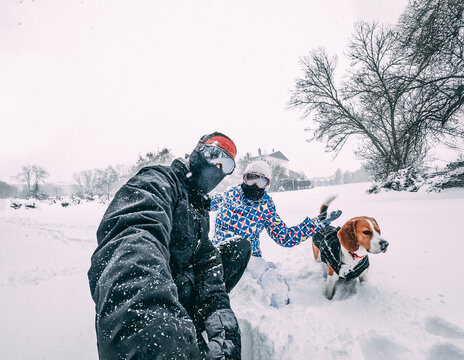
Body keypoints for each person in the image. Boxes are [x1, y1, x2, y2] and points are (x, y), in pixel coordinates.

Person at [88, 132, 251, 360]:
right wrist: (157, 330)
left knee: (238, 249)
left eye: (227, 164)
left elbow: (205, 256)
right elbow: (134, 236)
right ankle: (179, 330)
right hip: (161, 297)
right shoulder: (160, 181)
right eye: (214, 154)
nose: (217, 166)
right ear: (196, 151)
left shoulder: (199, 205)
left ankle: (194, 325)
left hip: (183, 292)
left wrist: (218, 308)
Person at [210, 160, 341, 307]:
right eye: (251, 178)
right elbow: (204, 202)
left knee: (276, 298)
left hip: (251, 260)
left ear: (267, 184)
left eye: (261, 181)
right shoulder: (230, 194)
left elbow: (284, 237)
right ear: (244, 178)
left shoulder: (266, 206)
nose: (255, 185)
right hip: (219, 255)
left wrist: (315, 224)